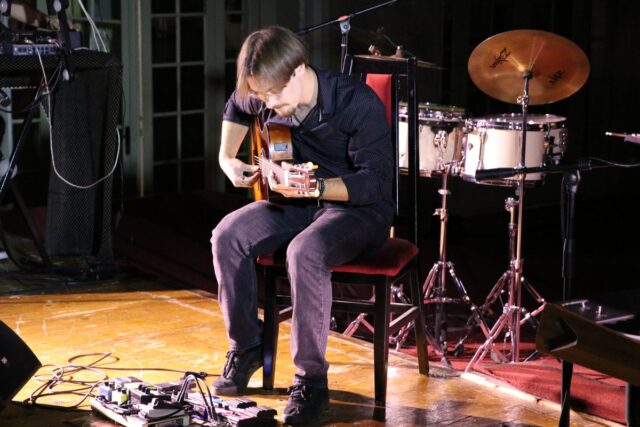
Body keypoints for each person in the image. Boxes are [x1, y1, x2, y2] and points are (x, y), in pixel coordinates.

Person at [210, 25, 394, 424]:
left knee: (304, 251)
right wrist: (227, 159)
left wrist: (319, 187)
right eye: (262, 96)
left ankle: (311, 381)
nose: (268, 104)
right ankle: (247, 346)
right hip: (296, 204)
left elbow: (377, 182)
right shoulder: (265, 93)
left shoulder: (355, 102)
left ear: (297, 70)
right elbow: (237, 104)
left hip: (360, 210)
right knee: (227, 235)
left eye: (274, 95)